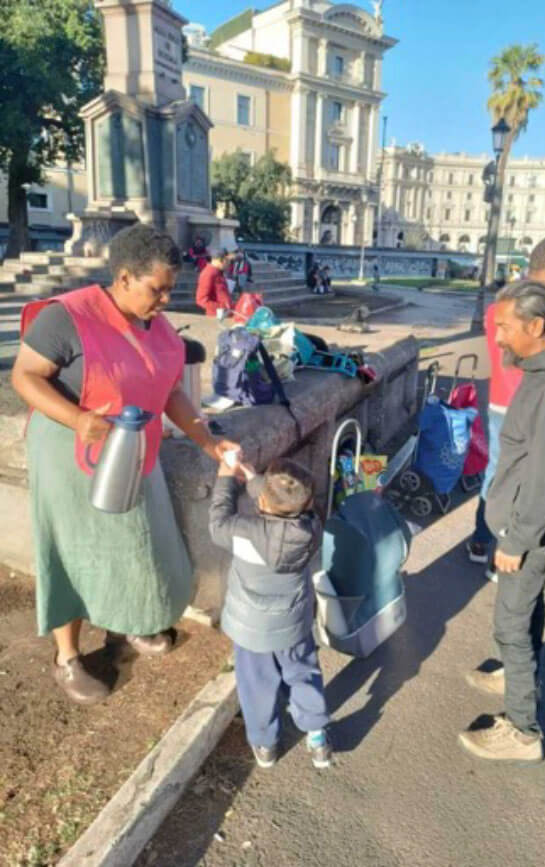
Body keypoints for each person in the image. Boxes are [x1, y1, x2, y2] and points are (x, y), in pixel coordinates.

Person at [11, 224, 238, 705]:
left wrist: (208, 442)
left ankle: (132, 622)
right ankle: (67, 658)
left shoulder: (159, 329)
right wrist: (78, 418)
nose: (163, 301)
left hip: (133, 449)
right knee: (74, 551)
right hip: (69, 448)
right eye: (156, 289)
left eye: (169, 289)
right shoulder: (66, 318)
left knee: (143, 542)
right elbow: (25, 377)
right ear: (124, 277)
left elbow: (172, 391)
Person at [459, 281, 545, 764]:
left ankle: (522, 731)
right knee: (525, 609)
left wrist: (515, 539)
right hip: (522, 523)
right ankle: (523, 673)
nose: (496, 337)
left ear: (535, 327)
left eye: (504, 326)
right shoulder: (544, 373)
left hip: (526, 529)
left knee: (510, 624)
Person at [466, 237, 545, 577]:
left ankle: (479, 541)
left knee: (496, 473)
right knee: (527, 481)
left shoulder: (499, 306)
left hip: (501, 401)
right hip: (537, 405)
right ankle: (500, 557)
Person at [209, 457, 332, 770]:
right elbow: (281, 507)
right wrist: (255, 481)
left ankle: (265, 744)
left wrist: (226, 479)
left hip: (252, 629)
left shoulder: (243, 531)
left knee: (257, 683)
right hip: (293, 623)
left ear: (262, 500)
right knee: (303, 672)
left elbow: (217, 523)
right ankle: (317, 735)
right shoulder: (311, 528)